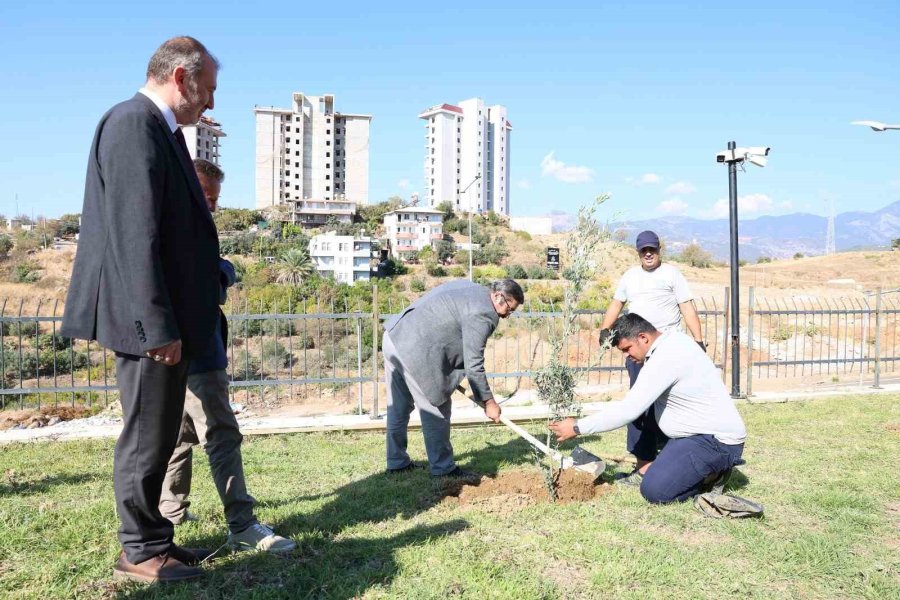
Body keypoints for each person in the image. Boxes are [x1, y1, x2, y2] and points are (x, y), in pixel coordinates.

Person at [61, 37, 222, 583]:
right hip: (148, 323)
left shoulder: (159, 129)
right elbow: (134, 234)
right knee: (146, 435)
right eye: (208, 90)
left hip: (164, 319)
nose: (211, 102)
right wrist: (154, 325)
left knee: (159, 433)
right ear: (181, 77)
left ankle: (156, 538)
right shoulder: (134, 124)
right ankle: (139, 551)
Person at [158, 159, 295, 554]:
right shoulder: (179, 228)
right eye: (207, 197)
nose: (213, 206)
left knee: (179, 435)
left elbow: (216, 271)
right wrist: (221, 273)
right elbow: (209, 278)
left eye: (216, 199)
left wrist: (222, 271)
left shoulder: (178, 225)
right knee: (221, 434)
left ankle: (170, 511)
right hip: (197, 350)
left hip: (180, 349)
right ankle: (242, 525)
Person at [550, 313, 746, 504]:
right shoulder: (672, 342)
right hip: (693, 436)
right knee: (657, 471)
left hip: (714, 441)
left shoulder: (666, 357)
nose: (627, 356)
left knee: (654, 490)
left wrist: (577, 427)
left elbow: (628, 410)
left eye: (627, 349)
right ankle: (699, 469)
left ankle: (713, 475)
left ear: (643, 337)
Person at [384, 279, 523, 478]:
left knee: (398, 406)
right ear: (499, 297)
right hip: (416, 350)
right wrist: (489, 402)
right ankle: (444, 469)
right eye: (509, 309)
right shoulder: (484, 313)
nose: (508, 315)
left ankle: (397, 462)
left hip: (395, 336)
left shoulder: (474, 289)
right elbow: (474, 364)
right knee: (437, 409)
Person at [598, 230, 705, 485]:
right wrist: (604, 329)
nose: (648, 254)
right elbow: (616, 304)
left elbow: (687, 307)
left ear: (659, 250)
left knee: (672, 405)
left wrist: (698, 341)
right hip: (638, 353)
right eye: (643, 250)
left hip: (668, 353)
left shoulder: (672, 274)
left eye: (652, 249)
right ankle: (643, 467)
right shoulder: (630, 277)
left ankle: (674, 463)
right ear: (638, 253)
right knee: (639, 407)